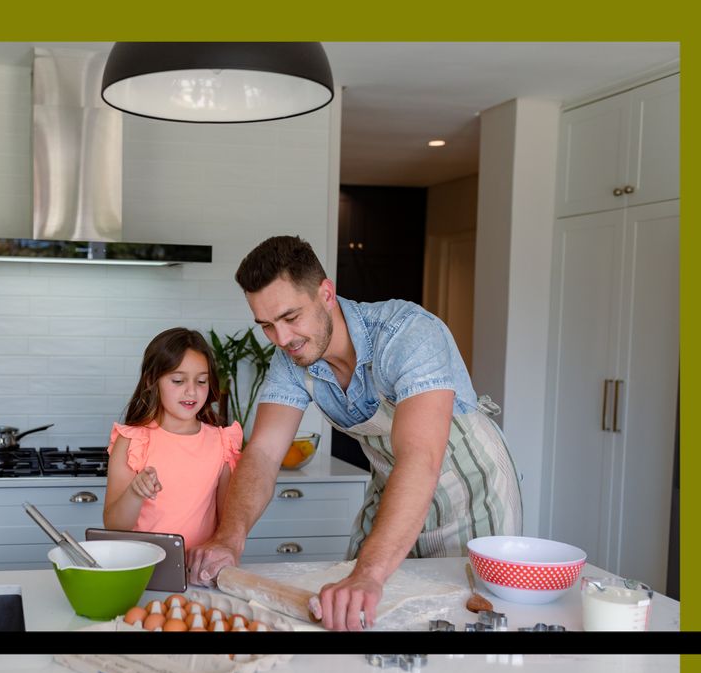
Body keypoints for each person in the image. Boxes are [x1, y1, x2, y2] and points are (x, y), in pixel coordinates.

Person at [187, 235, 523, 630]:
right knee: (357, 613)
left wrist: (369, 573)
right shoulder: (291, 359)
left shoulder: (406, 333)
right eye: (266, 326)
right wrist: (230, 537)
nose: (282, 339)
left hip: (470, 489)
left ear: (326, 293)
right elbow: (262, 452)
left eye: (291, 317)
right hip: (393, 483)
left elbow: (420, 457)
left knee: (467, 615)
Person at [105, 328, 243, 550]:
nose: (191, 391)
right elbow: (113, 525)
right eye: (178, 380)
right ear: (152, 380)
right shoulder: (133, 442)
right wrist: (134, 492)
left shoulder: (222, 443)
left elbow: (226, 526)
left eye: (201, 381)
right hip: (144, 571)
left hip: (197, 574)